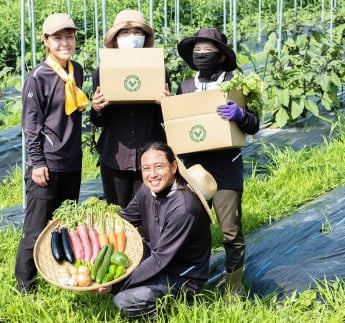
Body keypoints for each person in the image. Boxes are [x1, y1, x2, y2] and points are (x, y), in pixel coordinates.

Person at [175, 28, 260, 293]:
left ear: (221, 56)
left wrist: (240, 115)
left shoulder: (236, 84)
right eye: (197, 51)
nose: (201, 55)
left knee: (231, 232)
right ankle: (191, 285)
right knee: (191, 229)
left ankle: (234, 287)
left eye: (207, 51)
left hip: (225, 167)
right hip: (194, 169)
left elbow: (254, 124)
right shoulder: (186, 87)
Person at [95, 142, 217, 320]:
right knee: (123, 259)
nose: (152, 174)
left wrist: (115, 284)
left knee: (125, 299)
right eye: (146, 168)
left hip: (182, 276)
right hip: (158, 255)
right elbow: (126, 218)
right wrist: (93, 234)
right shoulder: (148, 189)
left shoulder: (183, 209)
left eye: (159, 167)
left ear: (174, 166)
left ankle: (179, 307)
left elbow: (160, 260)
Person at [15, 13, 88, 293]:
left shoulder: (76, 70)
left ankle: (56, 275)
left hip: (72, 161)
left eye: (69, 36)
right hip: (47, 164)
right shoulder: (38, 78)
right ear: (46, 41)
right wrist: (37, 162)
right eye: (57, 38)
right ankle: (24, 285)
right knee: (35, 228)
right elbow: (31, 125)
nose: (65, 42)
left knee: (63, 222)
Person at [90, 9, 170, 209]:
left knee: (153, 212)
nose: (132, 38)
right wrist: (97, 107)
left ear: (145, 37)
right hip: (116, 155)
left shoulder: (159, 69)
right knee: (120, 214)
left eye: (137, 32)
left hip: (151, 153)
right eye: (125, 33)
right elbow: (99, 120)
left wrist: (167, 105)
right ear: (116, 39)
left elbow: (164, 117)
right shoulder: (103, 71)